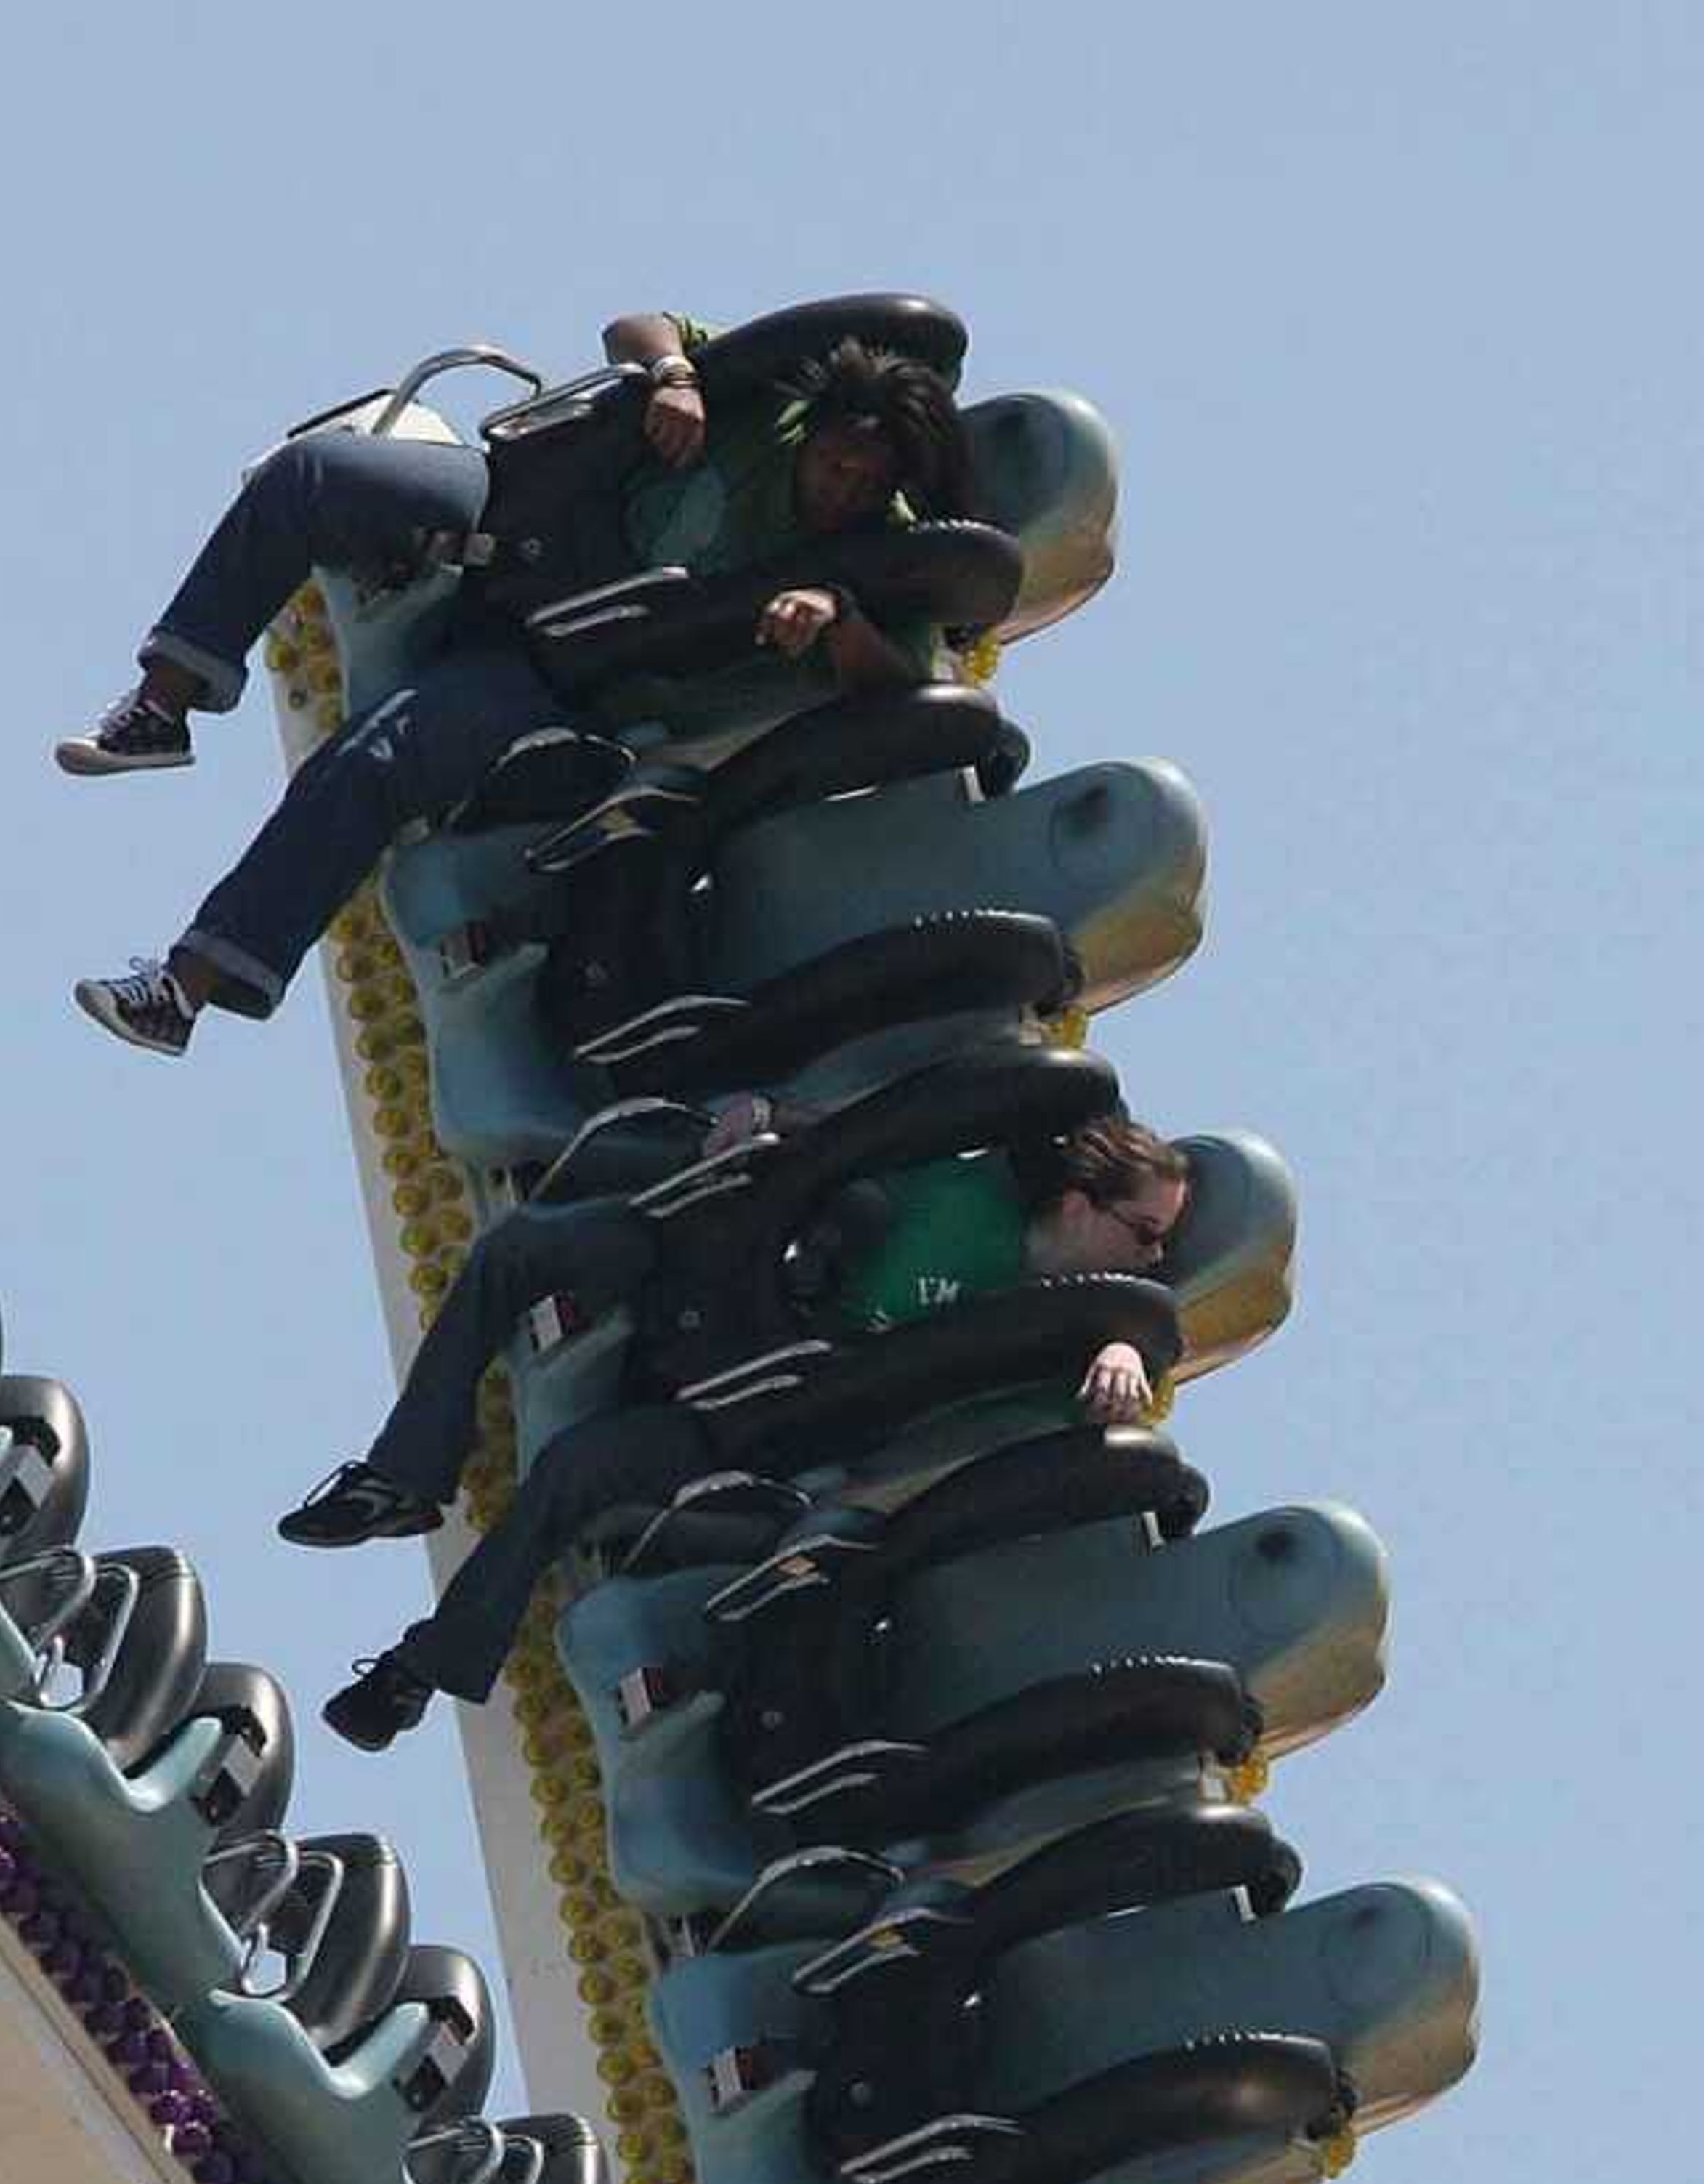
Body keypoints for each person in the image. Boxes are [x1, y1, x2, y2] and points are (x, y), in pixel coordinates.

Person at [60, 315, 972, 1057]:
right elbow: (638, 325)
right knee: (309, 478)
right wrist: (674, 375)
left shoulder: (878, 551)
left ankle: (185, 988)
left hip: (556, 674)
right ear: (812, 432)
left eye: (867, 480)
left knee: (374, 758)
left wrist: (839, 620)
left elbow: (901, 686)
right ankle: (161, 708)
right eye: (836, 463)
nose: (844, 487)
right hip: (525, 518)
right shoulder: (768, 402)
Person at [301, 1115, 1195, 1748]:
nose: (1156, 1259)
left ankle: (417, 1673)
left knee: (577, 1473)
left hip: (753, 1418)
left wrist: (1123, 1341)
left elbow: (1116, 1356)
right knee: (515, 1251)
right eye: (1147, 1234)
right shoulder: (972, 1189)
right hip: (719, 1292)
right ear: (1079, 1205)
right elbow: (858, 1143)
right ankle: (405, 1478)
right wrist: (764, 1118)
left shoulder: (1050, 1333)